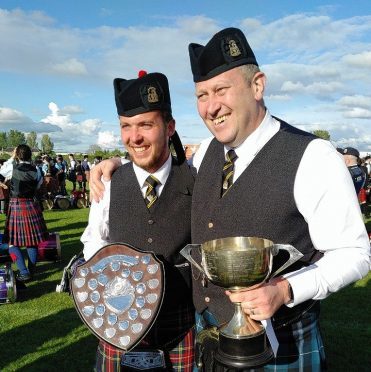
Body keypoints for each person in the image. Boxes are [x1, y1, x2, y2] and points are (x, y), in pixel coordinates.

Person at [88, 28, 370, 371]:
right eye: (202, 94)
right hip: (209, 336)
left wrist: (285, 290)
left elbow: (354, 252)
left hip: (280, 342)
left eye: (222, 90)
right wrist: (114, 166)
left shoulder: (312, 156)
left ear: (258, 85)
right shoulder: (204, 154)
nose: (211, 106)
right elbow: (154, 165)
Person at [80, 71, 195, 371]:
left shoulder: (196, 176)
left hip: (180, 323)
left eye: (146, 124)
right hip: (119, 325)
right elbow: (94, 240)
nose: (135, 137)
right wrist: (109, 278)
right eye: (126, 126)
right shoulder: (107, 182)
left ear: (169, 127)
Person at [0, 144, 48, 282]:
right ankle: (32, 271)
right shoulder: (38, 169)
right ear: (30, 155)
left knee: (11, 242)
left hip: (17, 206)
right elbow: (38, 186)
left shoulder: (11, 167)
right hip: (32, 205)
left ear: (17, 154)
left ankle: (24, 272)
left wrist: (11, 158)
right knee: (32, 242)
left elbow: (1, 174)